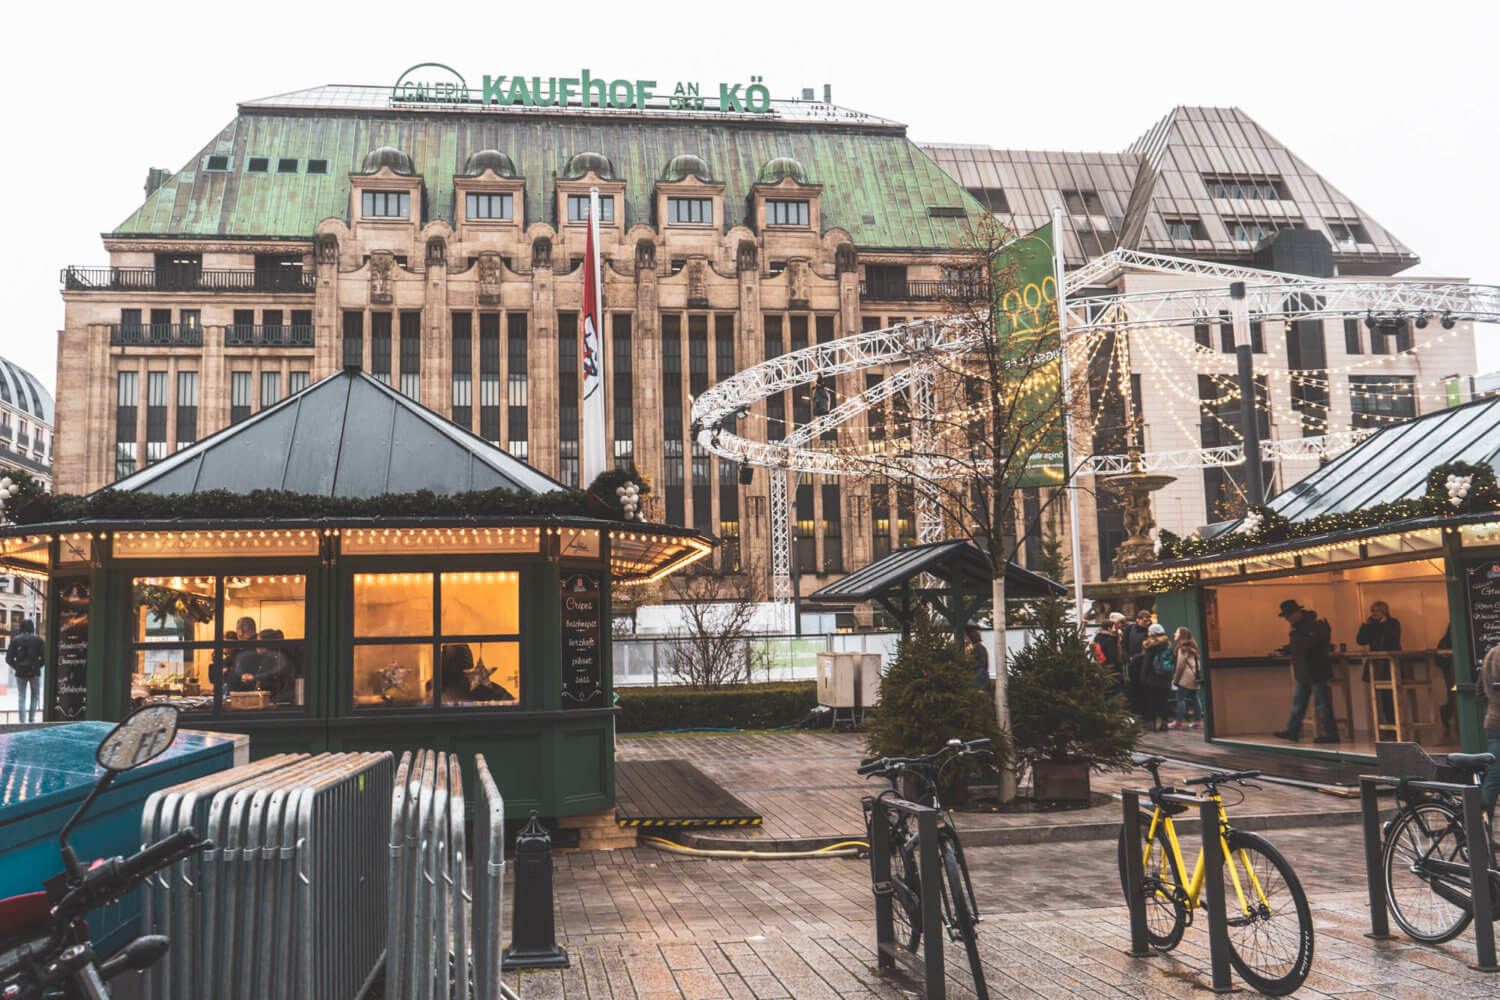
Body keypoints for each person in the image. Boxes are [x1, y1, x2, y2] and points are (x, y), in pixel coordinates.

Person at [1273, 599, 1338, 743]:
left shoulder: (1307, 628)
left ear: (1296, 613)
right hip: (1309, 670)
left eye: (1288, 616)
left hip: (1314, 670)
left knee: (1316, 704)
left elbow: (1310, 647)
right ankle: (1294, 731)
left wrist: (1289, 650)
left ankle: (1329, 734)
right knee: (1311, 704)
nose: (1287, 619)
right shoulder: (1310, 626)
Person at [1474, 641, 1500, 823]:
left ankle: (1482, 831)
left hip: (1493, 722)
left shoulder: (1491, 654)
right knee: (1494, 778)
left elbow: (1479, 693)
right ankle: (1480, 833)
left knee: (1493, 779)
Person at [5, 619, 45, 724]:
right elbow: (45, 657)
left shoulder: (15, 640)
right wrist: (37, 666)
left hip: (20, 672)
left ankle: (22, 721)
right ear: (32, 627)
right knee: (35, 695)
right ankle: (31, 719)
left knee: (21, 696)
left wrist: (17, 667)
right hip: (34, 672)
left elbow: (8, 659)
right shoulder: (38, 640)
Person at [1140, 623, 1175, 731]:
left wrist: (1143, 678)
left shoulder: (1151, 647)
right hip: (1165, 679)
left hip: (1152, 679)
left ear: (1153, 634)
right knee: (1164, 701)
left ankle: (1152, 723)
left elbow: (1146, 664)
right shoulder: (1168, 646)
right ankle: (1164, 722)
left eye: (1149, 631)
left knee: (1152, 702)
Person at [1123, 608, 1154, 716]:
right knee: (1135, 689)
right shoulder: (1130, 628)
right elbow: (1124, 644)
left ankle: (1147, 714)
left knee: (1146, 690)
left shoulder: (1150, 631)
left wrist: (1137, 657)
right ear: (1138, 620)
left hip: (1146, 665)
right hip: (1133, 665)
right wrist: (1127, 658)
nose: (1148, 623)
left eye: (1148, 620)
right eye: (1145, 621)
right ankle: (1136, 712)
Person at [1171, 627, 1203, 730]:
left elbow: (1180, 666)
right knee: (1195, 698)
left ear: (1181, 635)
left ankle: (1178, 722)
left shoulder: (1182, 649)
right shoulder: (1192, 647)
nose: (1174, 634)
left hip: (1185, 677)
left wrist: (1176, 680)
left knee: (1180, 698)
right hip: (1194, 676)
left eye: (1176, 632)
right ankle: (1198, 721)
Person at [964, 624, 990, 692]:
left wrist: (967, 661)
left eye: (965, 636)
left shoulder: (979, 648)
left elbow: (981, 663)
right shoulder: (974, 647)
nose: (964, 638)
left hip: (978, 678)